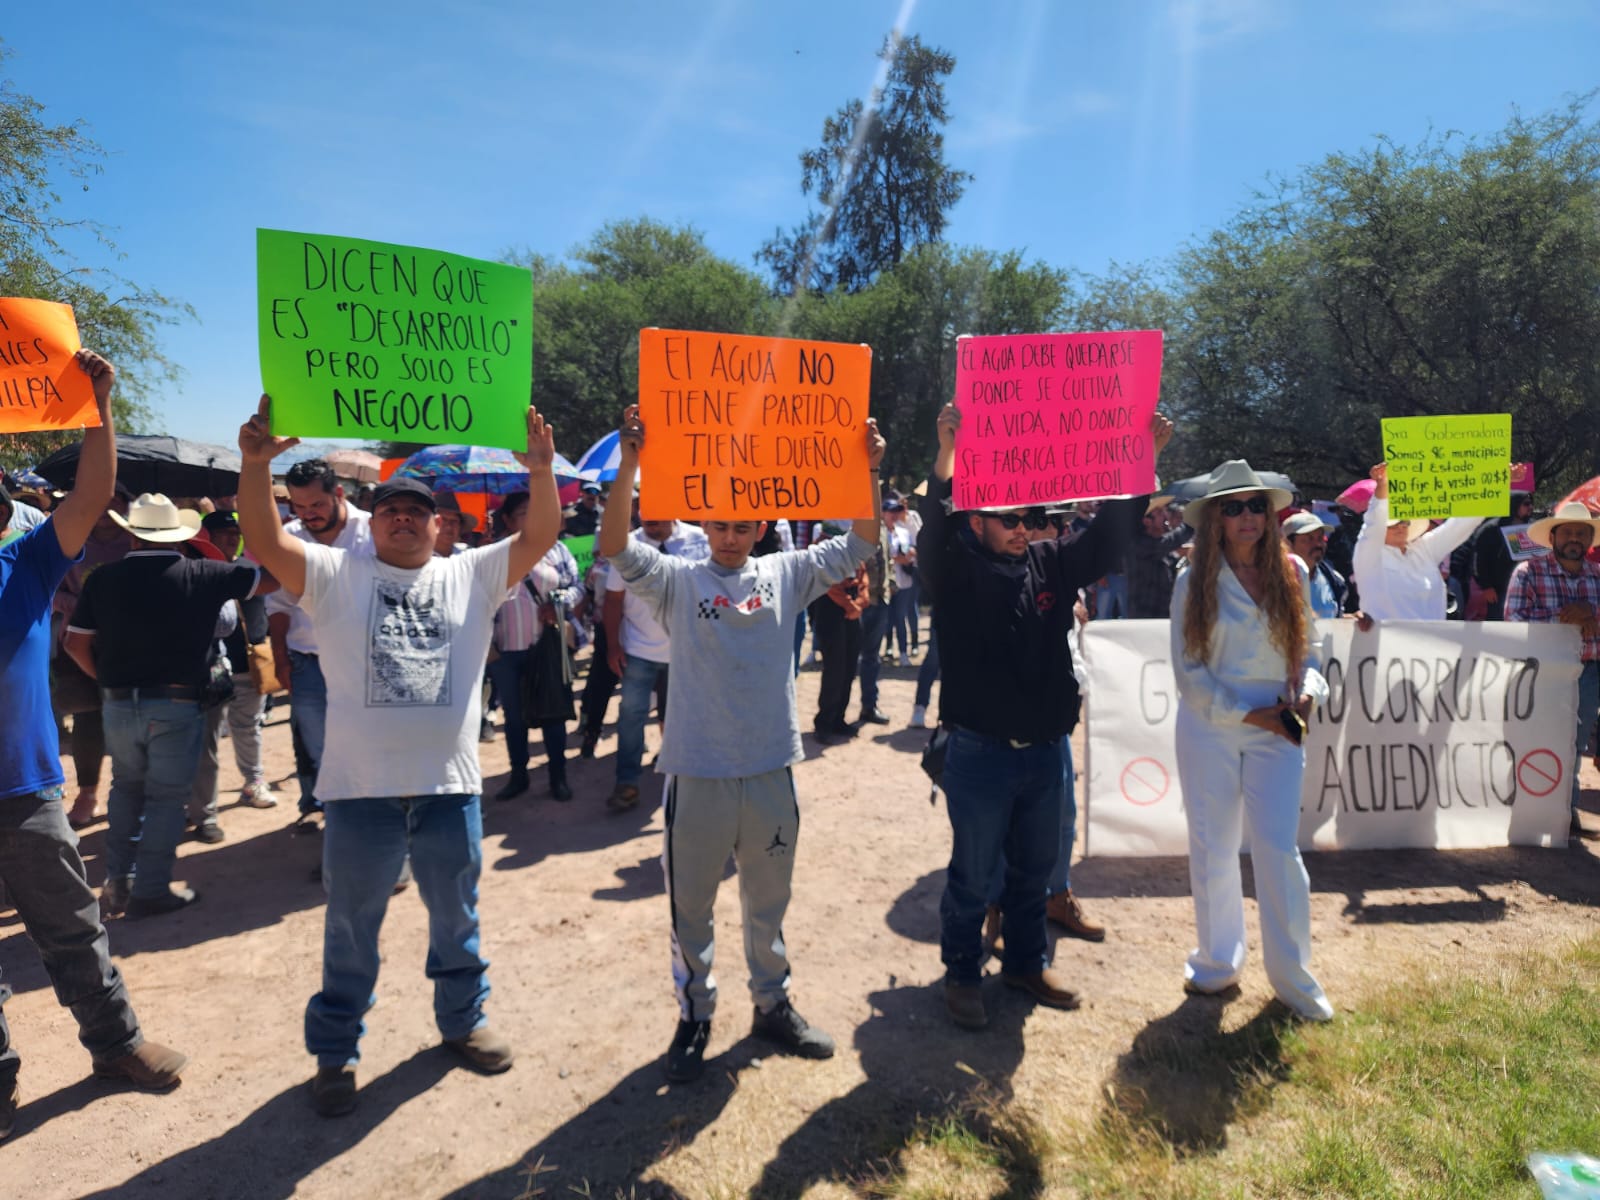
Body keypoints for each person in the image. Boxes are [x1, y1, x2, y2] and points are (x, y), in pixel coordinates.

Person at [237, 396, 561, 1117]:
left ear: (440, 524)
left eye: (418, 510)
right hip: (359, 796)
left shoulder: (472, 574)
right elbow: (265, 540)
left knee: (459, 921)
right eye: (392, 509)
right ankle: (336, 1052)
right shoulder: (334, 575)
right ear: (371, 520)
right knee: (351, 929)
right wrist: (255, 466)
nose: (405, 518)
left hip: (449, 790)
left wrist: (540, 473)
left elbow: (540, 535)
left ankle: (463, 1024)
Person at [600, 404, 886, 1084]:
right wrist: (631, 465)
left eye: (742, 525)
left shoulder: (786, 573)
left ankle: (772, 1005)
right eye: (719, 524)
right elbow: (614, 544)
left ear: (760, 527)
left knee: (768, 902)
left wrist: (867, 471)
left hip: (769, 772)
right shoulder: (676, 580)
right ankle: (696, 1014)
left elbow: (861, 544)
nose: (730, 536)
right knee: (690, 907)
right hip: (696, 775)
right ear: (704, 525)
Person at [920, 404, 1172, 1031]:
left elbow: (1110, 537)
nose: (1023, 530)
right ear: (977, 519)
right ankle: (960, 973)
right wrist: (947, 451)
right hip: (979, 751)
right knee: (974, 874)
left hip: (1046, 748)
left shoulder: (1052, 562)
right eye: (1009, 519)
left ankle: (1027, 962)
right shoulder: (955, 571)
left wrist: (1145, 459)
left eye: (1033, 519)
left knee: (1035, 868)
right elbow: (933, 528)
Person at [0, 351, 188, 1140]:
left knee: (73, 927)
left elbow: (93, 494)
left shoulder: (30, 559)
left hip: (27, 791)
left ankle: (117, 1046)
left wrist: (98, 408)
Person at [1169, 460, 1333, 1022]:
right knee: (1213, 846)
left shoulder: (1294, 571)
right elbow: (1189, 672)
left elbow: (1311, 651)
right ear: (1214, 516)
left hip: (1280, 727)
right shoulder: (1192, 579)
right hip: (1211, 728)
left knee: (1278, 849)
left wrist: (1308, 693)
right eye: (1233, 506)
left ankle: (1294, 979)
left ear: (1271, 512)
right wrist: (1252, 715)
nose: (1247, 516)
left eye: (1256, 505)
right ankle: (1217, 964)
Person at [63, 491, 272, 917]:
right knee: (165, 799)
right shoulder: (203, 572)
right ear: (178, 536)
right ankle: (151, 890)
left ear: (133, 537)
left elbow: (74, 643)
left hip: (119, 702)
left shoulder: (101, 579)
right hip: (177, 702)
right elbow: (270, 579)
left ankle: (119, 885)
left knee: (126, 790)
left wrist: (103, 678)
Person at [265, 459, 373, 831]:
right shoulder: (290, 538)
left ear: (338, 494)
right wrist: (280, 659)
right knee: (319, 749)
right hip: (307, 666)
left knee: (367, 747)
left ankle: (371, 825)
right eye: (300, 506)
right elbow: (278, 606)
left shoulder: (374, 531)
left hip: (364, 664)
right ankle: (337, 823)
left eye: (317, 505)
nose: (308, 514)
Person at [1505, 501, 1600, 836]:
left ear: (1590, 540)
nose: (1574, 539)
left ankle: (1566, 813)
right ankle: (1528, 814)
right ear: (1554, 536)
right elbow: (1515, 623)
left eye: (1581, 533)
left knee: (1574, 743)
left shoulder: (1597, 577)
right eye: (1568, 532)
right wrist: (1565, 619)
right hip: (1540, 673)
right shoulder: (1528, 573)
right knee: (1535, 739)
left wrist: (1591, 615)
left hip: (1587, 672)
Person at [601, 517, 709, 811]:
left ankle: (685, 779)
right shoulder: (626, 546)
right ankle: (627, 782)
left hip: (686, 652)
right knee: (631, 716)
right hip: (639, 650)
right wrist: (613, 646)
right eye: (644, 514)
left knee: (683, 718)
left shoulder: (701, 540)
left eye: (658, 515)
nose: (650, 521)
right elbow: (613, 600)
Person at [487, 490, 583, 801]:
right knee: (514, 718)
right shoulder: (491, 554)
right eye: (523, 513)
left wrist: (558, 603)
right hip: (506, 649)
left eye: (536, 512)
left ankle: (559, 777)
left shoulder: (557, 551)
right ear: (507, 519)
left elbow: (578, 588)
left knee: (553, 714)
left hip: (547, 647)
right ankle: (519, 776)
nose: (531, 520)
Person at [49, 488, 133, 828]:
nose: (106, 507)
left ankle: (129, 797)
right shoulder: (70, 543)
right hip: (77, 644)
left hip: (129, 646)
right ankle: (87, 794)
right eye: (102, 498)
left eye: (116, 500)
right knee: (87, 721)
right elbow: (53, 591)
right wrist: (83, 607)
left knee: (130, 720)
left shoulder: (138, 541)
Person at [1350, 464, 1479, 623]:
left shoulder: (1424, 549)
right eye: (1393, 522)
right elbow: (1374, 519)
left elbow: (1462, 525)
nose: (1401, 525)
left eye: (1404, 521)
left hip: (1433, 643)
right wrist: (1383, 486)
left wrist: (1496, 482)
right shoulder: (1369, 555)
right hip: (1386, 644)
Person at [807, 523, 869, 745]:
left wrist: (859, 603)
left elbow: (863, 575)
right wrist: (849, 606)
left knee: (849, 668)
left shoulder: (852, 543)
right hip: (831, 611)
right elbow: (828, 583)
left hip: (852, 613)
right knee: (834, 669)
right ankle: (824, 721)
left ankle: (839, 719)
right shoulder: (821, 545)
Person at [1125, 494, 1191, 619]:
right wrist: (1191, 522)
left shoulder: (1155, 545)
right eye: (1160, 513)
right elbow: (1171, 541)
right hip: (1145, 619)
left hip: (1162, 616)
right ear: (1146, 521)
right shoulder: (1138, 544)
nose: (1166, 516)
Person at [1473, 491, 1535, 621]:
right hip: (1498, 591)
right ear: (1514, 505)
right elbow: (1479, 560)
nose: (1531, 507)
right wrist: (1486, 586)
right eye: (1526, 504)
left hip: (1527, 590)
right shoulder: (1491, 529)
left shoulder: (1533, 528)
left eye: (1531, 504)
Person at [1282, 511, 1347, 620]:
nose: (1318, 544)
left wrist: (1354, 620)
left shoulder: (1334, 580)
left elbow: (1334, 619)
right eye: (1308, 539)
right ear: (1287, 543)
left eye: (1320, 538)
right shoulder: (1273, 581)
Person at [883, 498, 918, 664]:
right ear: (883, 513)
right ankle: (886, 648)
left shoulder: (903, 532)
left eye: (897, 511)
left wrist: (910, 555)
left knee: (900, 617)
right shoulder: (878, 533)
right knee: (884, 619)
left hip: (903, 581)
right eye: (891, 511)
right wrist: (897, 558)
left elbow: (912, 550)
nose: (895, 515)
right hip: (884, 583)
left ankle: (903, 652)